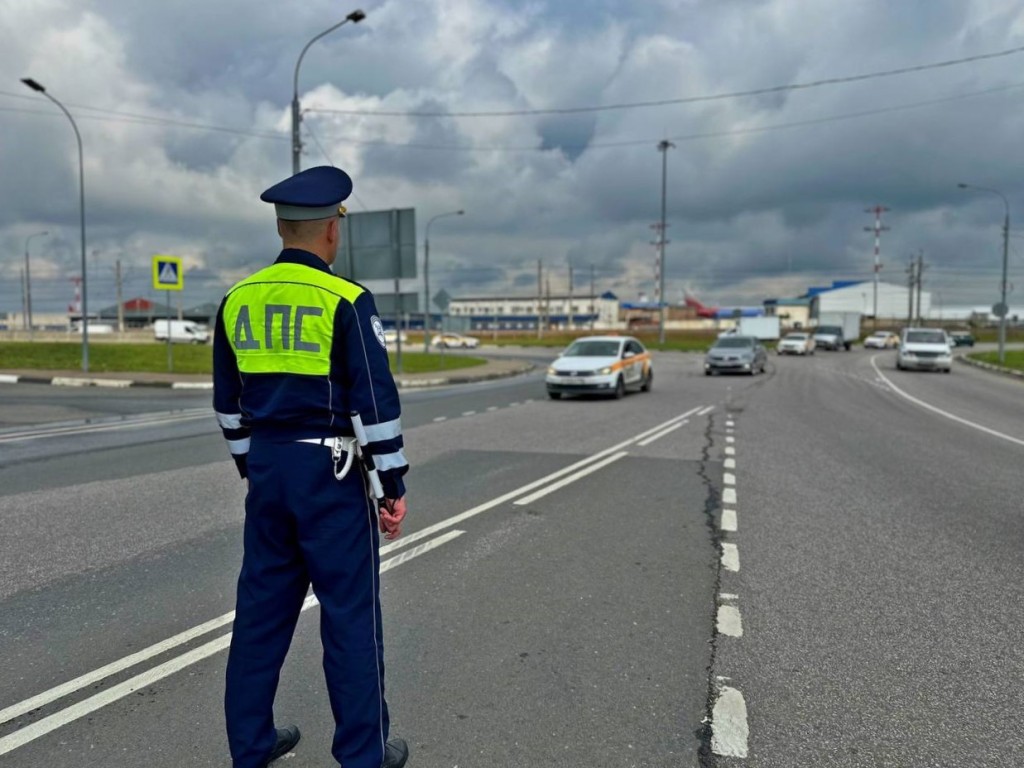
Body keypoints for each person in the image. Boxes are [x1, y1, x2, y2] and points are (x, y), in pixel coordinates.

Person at [213, 165, 410, 768]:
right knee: (350, 618)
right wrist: (390, 486)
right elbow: (374, 402)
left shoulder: (236, 300)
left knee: (260, 616)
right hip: (330, 474)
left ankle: (250, 746)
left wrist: (259, 469)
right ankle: (363, 754)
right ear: (331, 230)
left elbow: (228, 404)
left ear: (281, 227)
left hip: (270, 471)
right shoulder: (347, 300)